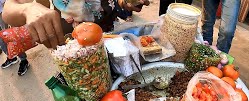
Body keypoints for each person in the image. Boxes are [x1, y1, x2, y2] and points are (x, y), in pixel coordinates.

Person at [2, 0, 150, 49]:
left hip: (112, 35)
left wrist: (125, 3)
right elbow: (9, 9)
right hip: (75, 46)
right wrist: (27, 9)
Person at [0, 0, 29, 75]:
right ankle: (11, 57)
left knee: (12, 37)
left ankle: (23, 60)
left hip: (4, 11)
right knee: (2, 39)